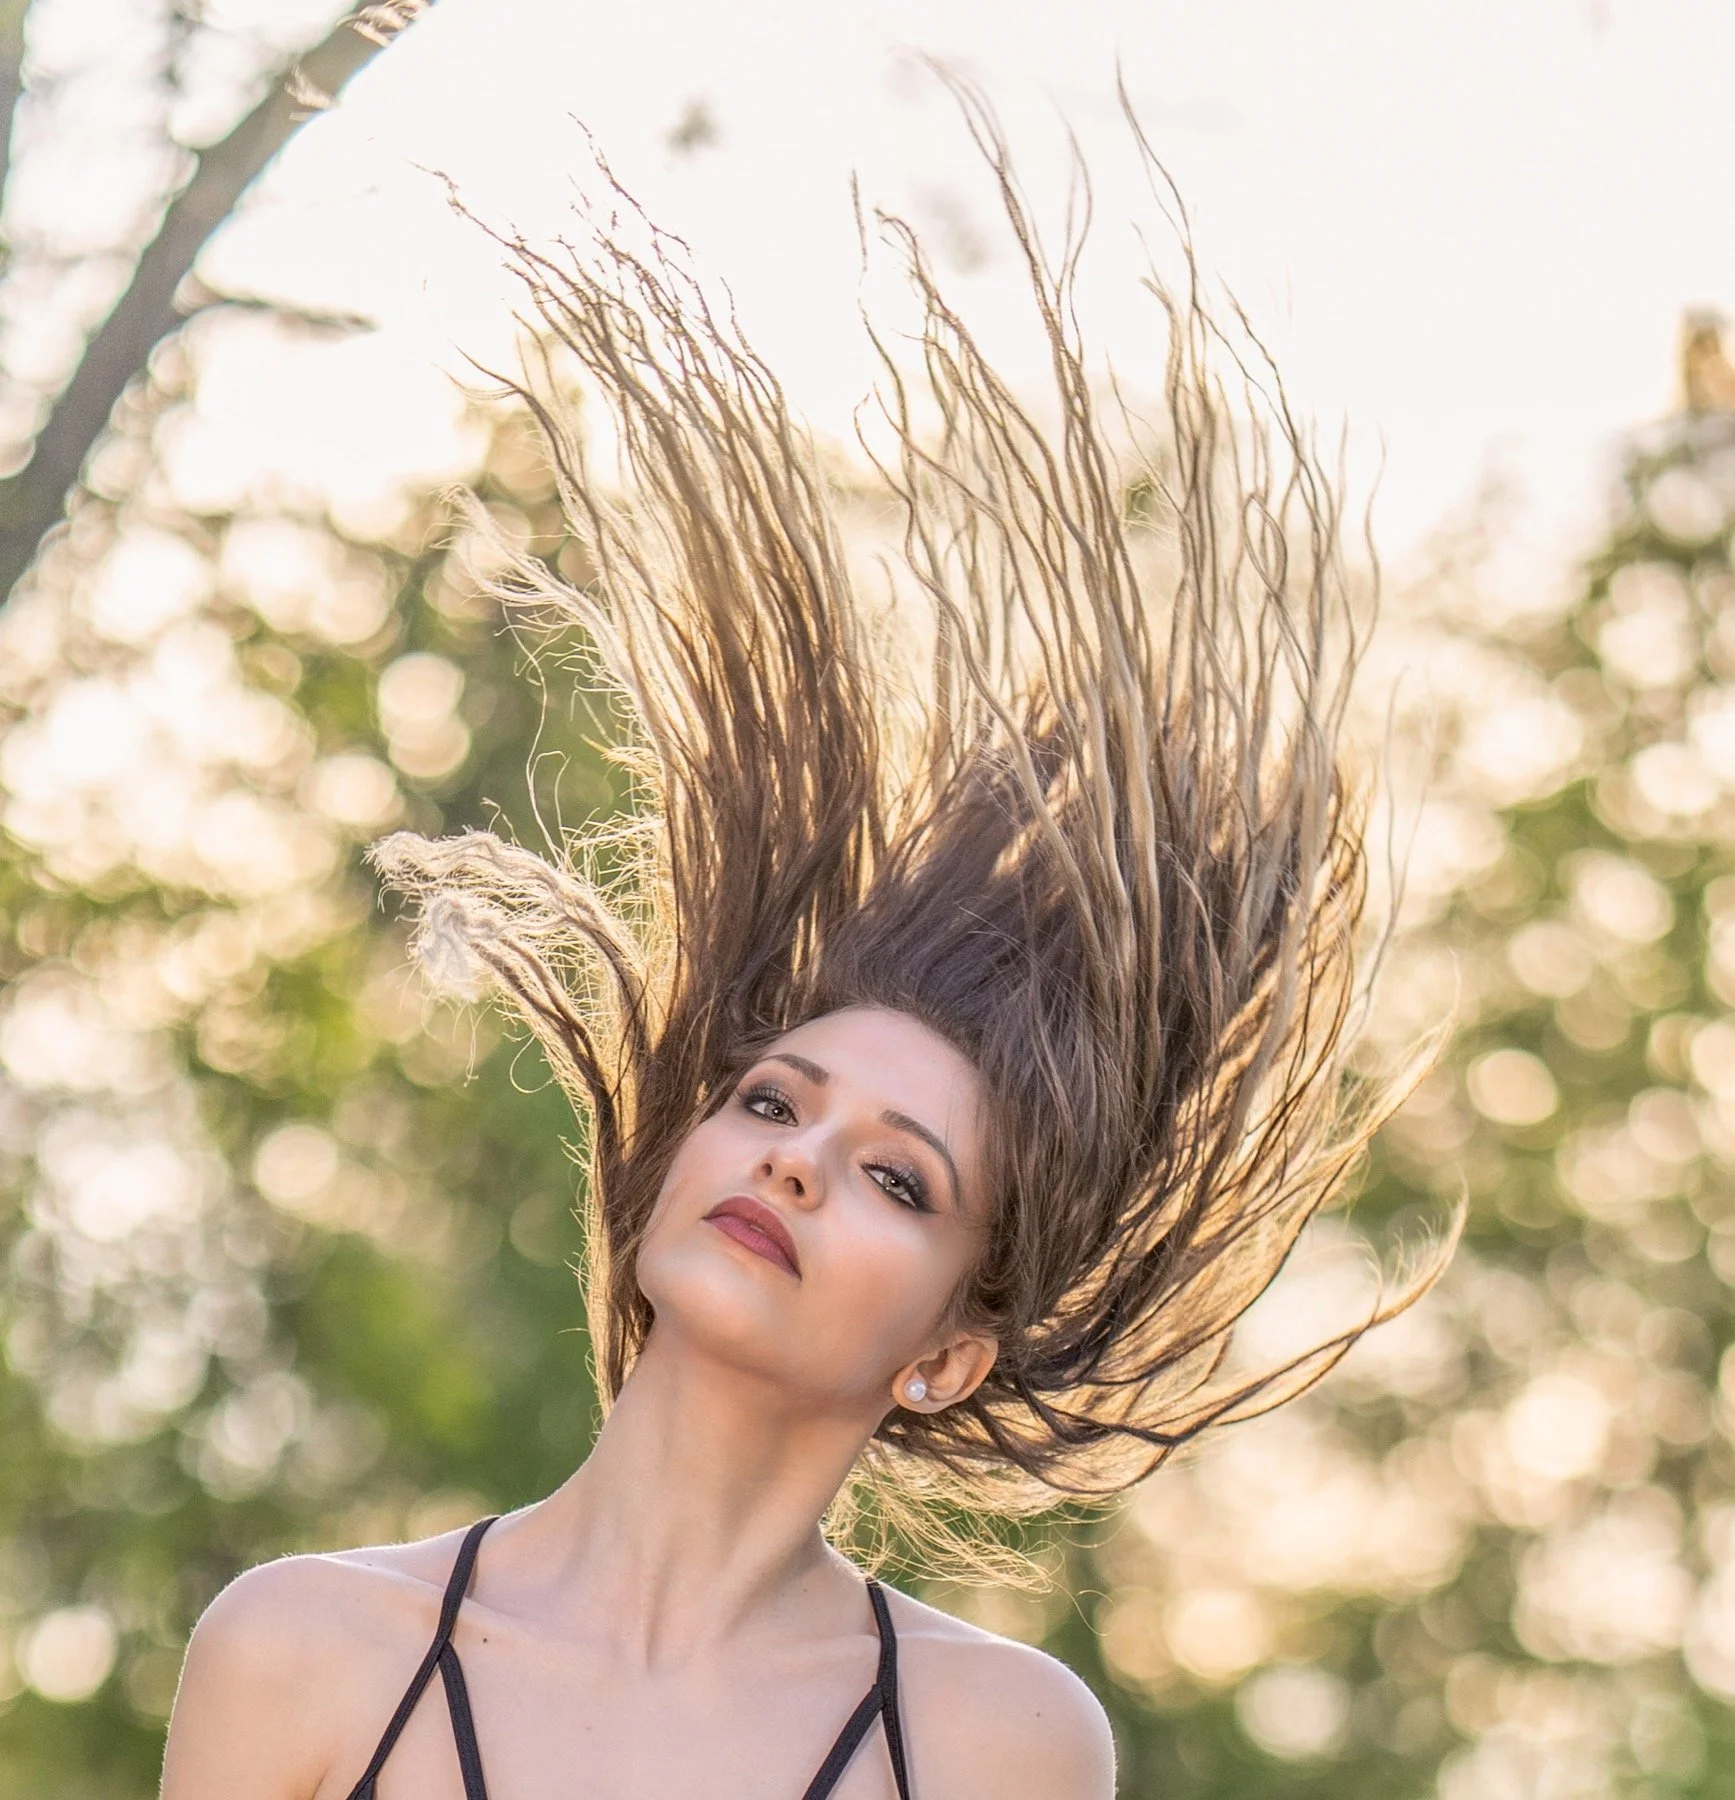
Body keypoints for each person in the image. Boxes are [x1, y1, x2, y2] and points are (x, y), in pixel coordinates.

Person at [160, 91, 1453, 1800]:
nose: (794, 1162)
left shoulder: (994, 1747)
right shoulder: (307, 1654)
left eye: (897, 1179)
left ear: (945, 1355)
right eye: (772, 1103)